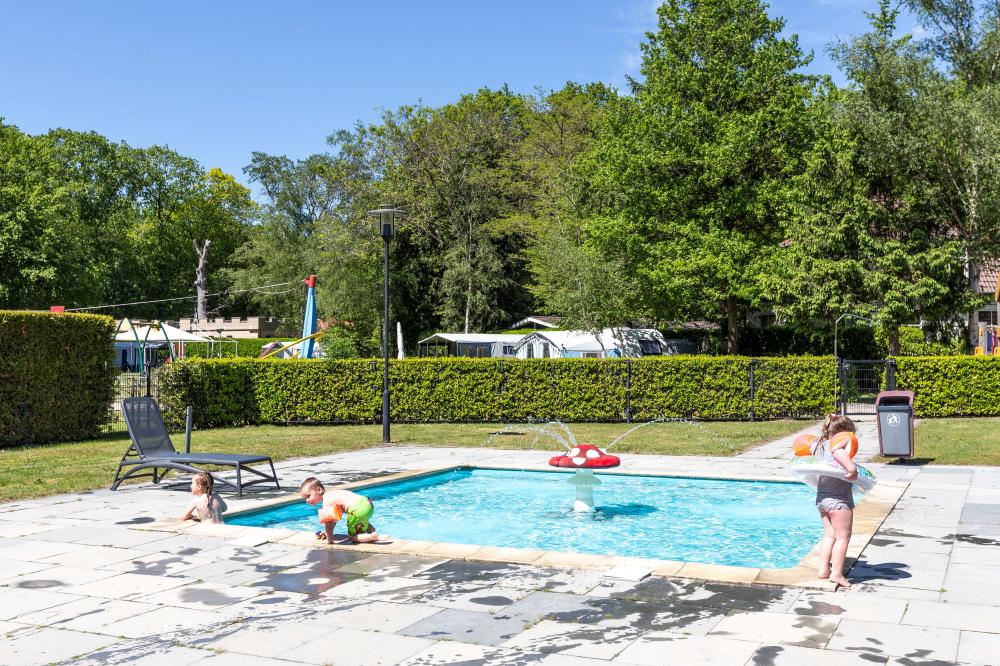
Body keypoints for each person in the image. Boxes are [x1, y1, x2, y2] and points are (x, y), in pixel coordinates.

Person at [811, 414, 858, 588]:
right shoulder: (839, 444)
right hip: (838, 500)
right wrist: (852, 469)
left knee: (829, 535)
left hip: (822, 497)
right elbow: (838, 454)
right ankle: (837, 574)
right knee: (842, 537)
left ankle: (823, 569)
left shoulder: (820, 444)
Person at [299, 477, 386, 544]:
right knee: (360, 520)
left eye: (308, 496)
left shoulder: (327, 501)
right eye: (305, 499)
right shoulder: (333, 494)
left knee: (352, 537)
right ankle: (371, 530)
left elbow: (329, 525)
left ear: (319, 490)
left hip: (356, 509)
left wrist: (330, 541)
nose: (307, 500)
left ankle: (373, 536)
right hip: (367, 503)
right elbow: (335, 519)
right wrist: (326, 533)